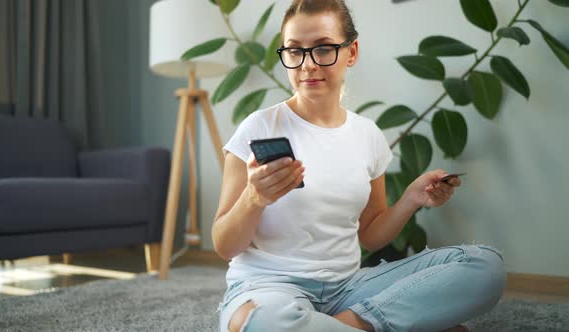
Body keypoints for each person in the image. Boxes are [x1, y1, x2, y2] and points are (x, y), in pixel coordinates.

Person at [212, 1, 506, 331]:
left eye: (323, 48)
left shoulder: (368, 136)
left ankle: (345, 324)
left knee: (484, 265)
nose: (307, 64)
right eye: (294, 51)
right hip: (268, 291)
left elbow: (370, 235)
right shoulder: (258, 128)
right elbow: (224, 245)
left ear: (351, 52)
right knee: (260, 321)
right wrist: (254, 198)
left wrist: (411, 199)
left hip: (349, 289)